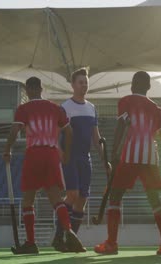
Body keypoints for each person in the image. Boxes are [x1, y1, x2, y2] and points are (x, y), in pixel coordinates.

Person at [3, 77, 86, 254]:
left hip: (34, 153)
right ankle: (69, 230)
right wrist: (67, 154)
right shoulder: (55, 108)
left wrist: (7, 150)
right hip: (51, 154)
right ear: (41, 89)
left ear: (28, 90)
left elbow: (14, 131)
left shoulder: (23, 109)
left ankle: (31, 243)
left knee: (28, 199)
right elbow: (69, 132)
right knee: (56, 198)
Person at [94, 71, 161, 255]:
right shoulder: (156, 108)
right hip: (150, 158)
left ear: (132, 84)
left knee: (115, 196)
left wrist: (113, 153)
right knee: (155, 200)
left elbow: (122, 126)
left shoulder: (126, 101)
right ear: (149, 87)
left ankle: (111, 244)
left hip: (129, 155)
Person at [52, 68, 110, 252]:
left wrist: (104, 159)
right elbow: (55, 134)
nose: (84, 85)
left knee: (82, 199)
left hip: (86, 158)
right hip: (70, 156)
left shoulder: (91, 107)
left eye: (86, 82)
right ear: (72, 85)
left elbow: (96, 136)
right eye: (80, 82)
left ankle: (72, 240)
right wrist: (59, 150)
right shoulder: (65, 107)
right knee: (72, 195)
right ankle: (59, 236)